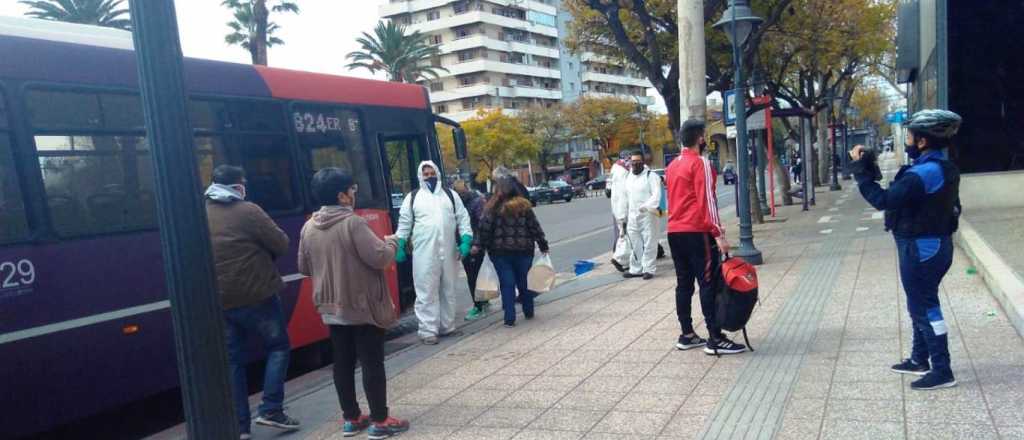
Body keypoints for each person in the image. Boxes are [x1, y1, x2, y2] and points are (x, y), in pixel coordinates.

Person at [847, 109, 963, 390]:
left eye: (909, 136)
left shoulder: (922, 173)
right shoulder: (939, 168)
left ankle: (942, 369)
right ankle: (919, 358)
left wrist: (860, 172)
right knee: (918, 303)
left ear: (922, 141)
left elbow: (884, 199)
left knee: (925, 306)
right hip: (932, 245)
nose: (907, 140)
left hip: (922, 248)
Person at [297, 168, 410, 438]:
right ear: (342, 196)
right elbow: (379, 258)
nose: (354, 194)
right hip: (361, 305)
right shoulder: (353, 223)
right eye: (352, 190)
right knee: (372, 362)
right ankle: (380, 421)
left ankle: (351, 418)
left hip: (330, 306)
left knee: (343, 363)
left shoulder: (309, 225)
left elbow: (304, 266)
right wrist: (393, 242)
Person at [204, 165, 299, 438]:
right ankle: (271, 409)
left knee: (233, 360)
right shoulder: (248, 211)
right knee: (278, 346)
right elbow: (280, 243)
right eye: (242, 183)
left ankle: (240, 427)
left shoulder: (200, 212)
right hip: (256, 293)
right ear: (237, 186)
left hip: (219, 299)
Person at [665, 120, 747, 355]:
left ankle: (687, 333)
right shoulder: (700, 163)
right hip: (697, 231)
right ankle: (715, 337)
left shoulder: (672, 165)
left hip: (674, 231)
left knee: (684, 284)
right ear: (701, 138)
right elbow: (707, 202)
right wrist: (718, 234)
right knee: (708, 283)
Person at [395, 161, 473, 345]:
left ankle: (447, 326)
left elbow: (463, 218)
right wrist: (399, 244)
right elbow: (404, 223)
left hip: (449, 249)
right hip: (424, 252)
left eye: (432, 173)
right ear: (420, 176)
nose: (429, 176)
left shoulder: (450, 195)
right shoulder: (413, 198)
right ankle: (428, 330)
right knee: (426, 290)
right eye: (426, 174)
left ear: (437, 173)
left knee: (448, 288)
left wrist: (466, 240)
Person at [471, 178, 549, 327]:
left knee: (507, 284)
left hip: (500, 253)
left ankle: (509, 317)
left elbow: (484, 230)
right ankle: (528, 310)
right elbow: (535, 228)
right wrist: (543, 245)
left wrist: (479, 246)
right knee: (524, 282)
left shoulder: (492, 208)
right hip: (524, 250)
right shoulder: (524, 207)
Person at [453, 179, 491, 320]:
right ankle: (483, 301)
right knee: (476, 274)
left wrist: (477, 244)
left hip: (473, 245)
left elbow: (481, 224)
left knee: (473, 276)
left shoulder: (474, 203)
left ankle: (479, 305)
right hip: (468, 244)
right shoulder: (466, 203)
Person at [622, 151, 663, 280]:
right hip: (633, 216)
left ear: (643, 162)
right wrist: (624, 215)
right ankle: (636, 268)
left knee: (650, 241)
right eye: (632, 162)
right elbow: (626, 197)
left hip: (648, 215)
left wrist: (645, 206)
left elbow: (657, 196)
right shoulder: (629, 177)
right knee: (634, 242)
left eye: (637, 161)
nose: (634, 164)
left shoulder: (651, 176)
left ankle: (649, 269)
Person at [608, 151, 631, 272]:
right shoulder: (625, 171)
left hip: (616, 207)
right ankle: (619, 258)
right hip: (624, 207)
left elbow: (608, 188)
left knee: (623, 233)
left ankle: (626, 261)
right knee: (625, 234)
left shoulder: (614, 167)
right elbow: (627, 191)